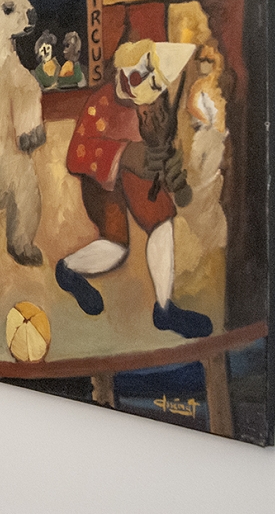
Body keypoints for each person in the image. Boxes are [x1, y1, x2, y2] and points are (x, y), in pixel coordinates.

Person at [55, 39, 211, 338]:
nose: (143, 85)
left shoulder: (153, 104)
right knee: (116, 248)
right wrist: (124, 155)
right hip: (102, 178)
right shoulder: (101, 102)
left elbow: (160, 149)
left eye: (153, 82)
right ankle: (68, 270)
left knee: (162, 220)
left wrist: (170, 172)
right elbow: (76, 156)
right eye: (142, 73)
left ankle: (164, 309)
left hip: (138, 176)